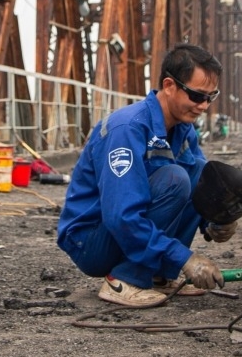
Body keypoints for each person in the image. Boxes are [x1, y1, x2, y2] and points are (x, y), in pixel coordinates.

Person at [57, 43, 232, 307]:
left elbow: (203, 187)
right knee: (175, 178)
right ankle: (124, 279)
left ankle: (160, 274)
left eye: (211, 97)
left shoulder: (184, 130)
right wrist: (184, 257)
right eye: (197, 96)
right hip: (91, 240)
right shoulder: (127, 129)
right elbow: (120, 215)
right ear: (170, 86)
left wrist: (215, 221)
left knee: (198, 173)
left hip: (116, 230)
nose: (204, 106)